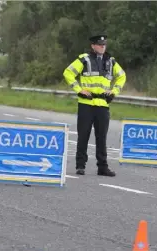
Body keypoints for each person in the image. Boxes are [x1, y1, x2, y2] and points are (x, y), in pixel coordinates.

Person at [63, 34, 126, 176]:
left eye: (104, 45)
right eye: (99, 44)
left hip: (103, 104)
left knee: (101, 137)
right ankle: (80, 166)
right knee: (83, 135)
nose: (102, 47)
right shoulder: (84, 59)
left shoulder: (111, 61)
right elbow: (68, 73)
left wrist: (114, 91)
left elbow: (122, 76)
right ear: (93, 46)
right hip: (86, 103)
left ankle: (102, 167)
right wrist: (78, 90)